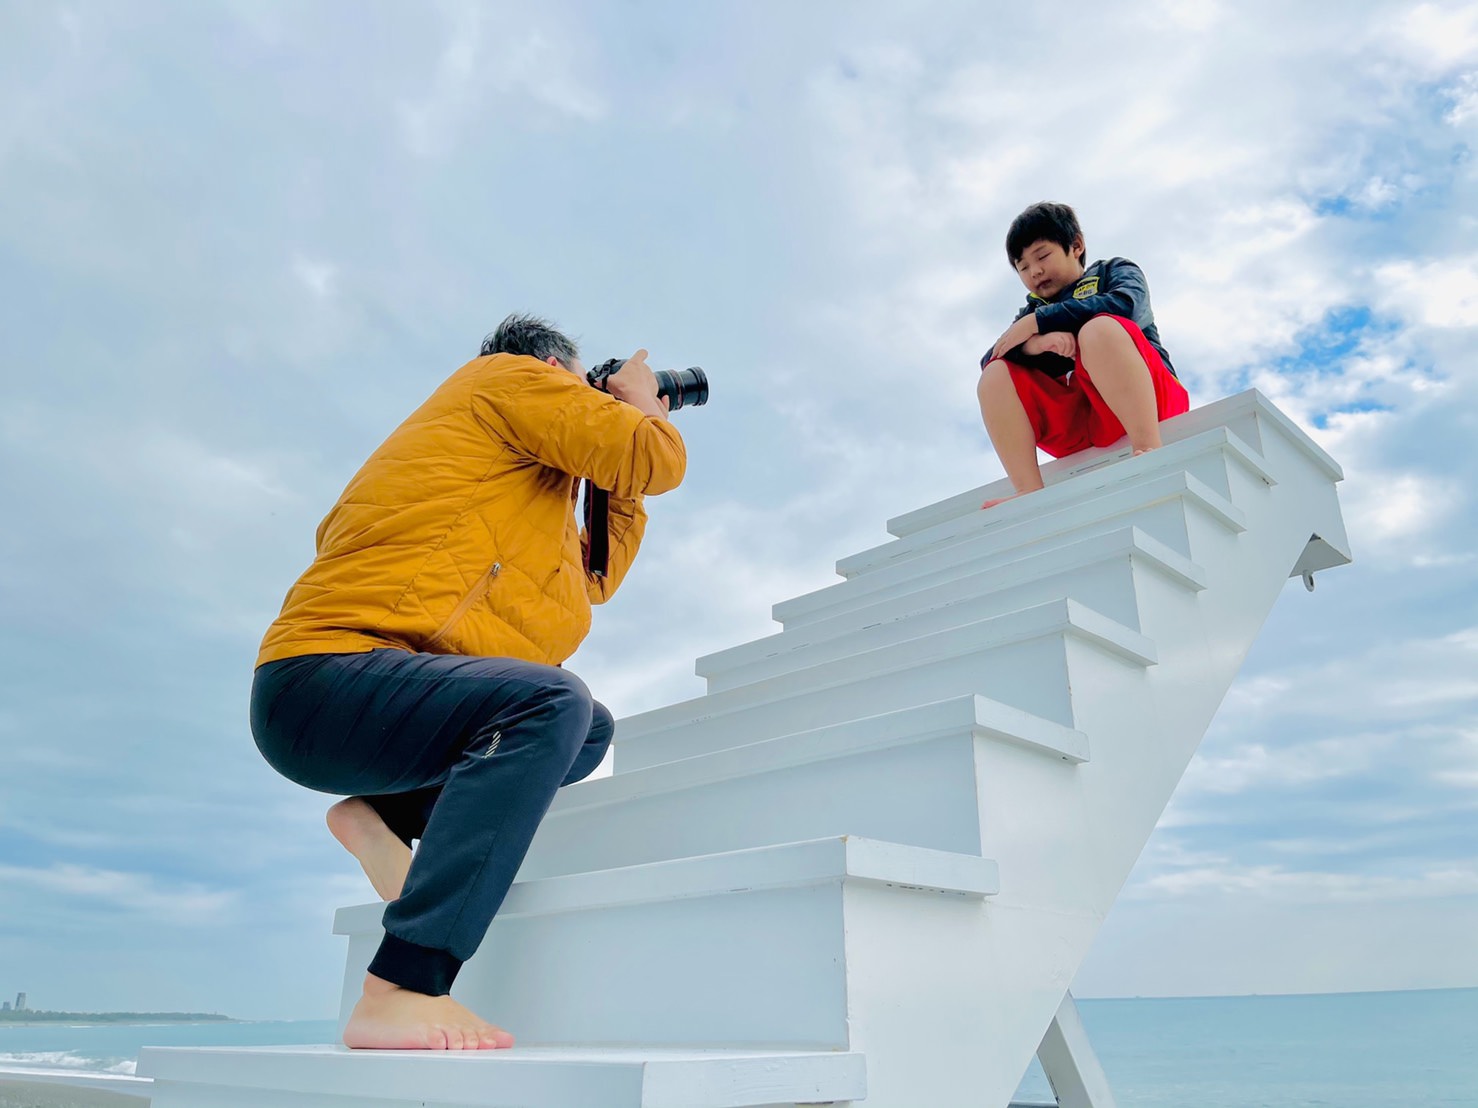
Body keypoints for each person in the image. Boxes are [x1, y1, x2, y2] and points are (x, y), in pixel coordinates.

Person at [249, 313, 686, 1051]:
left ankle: (383, 818)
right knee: (552, 701)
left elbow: (594, 579)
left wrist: (616, 461)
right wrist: (639, 400)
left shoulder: (515, 481)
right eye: (581, 385)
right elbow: (653, 458)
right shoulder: (502, 379)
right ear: (552, 371)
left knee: (588, 728)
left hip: (364, 699)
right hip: (327, 679)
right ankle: (404, 987)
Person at [976, 201, 1189, 507]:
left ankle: (1148, 448)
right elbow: (992, 357)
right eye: (1022, 267)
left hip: (1152, 402)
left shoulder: (1114, 271)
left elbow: (1126, 304)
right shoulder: (1033, 310)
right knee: (995, 374)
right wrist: (1037, 342)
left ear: (1075, 246)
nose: (1034, 271)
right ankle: (1028, 490)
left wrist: (1041, 322)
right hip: (1086, 423)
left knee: (1098, 329)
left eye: (1042, 256)